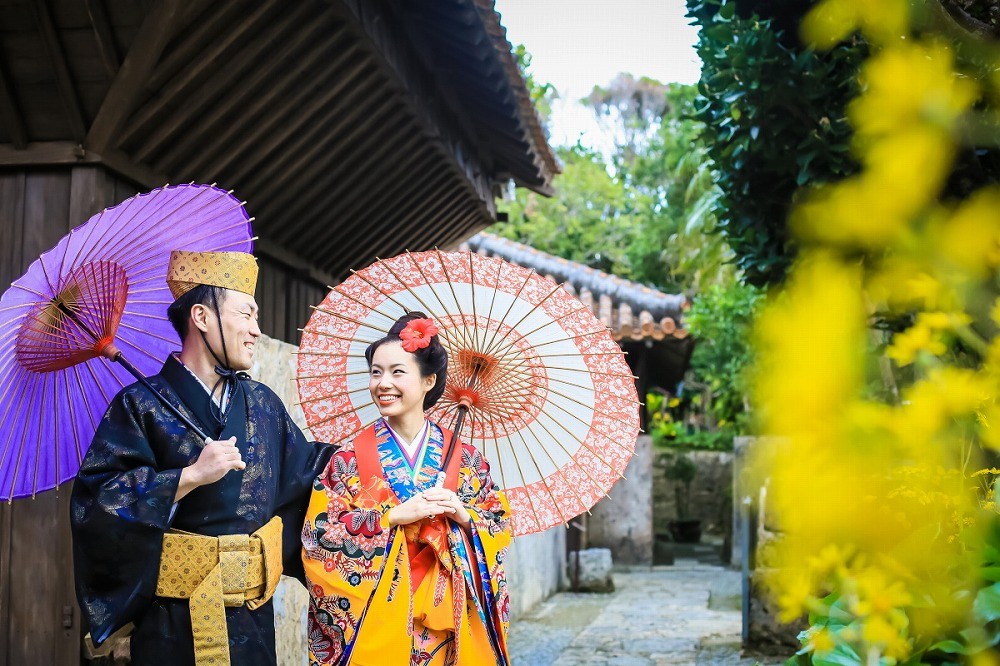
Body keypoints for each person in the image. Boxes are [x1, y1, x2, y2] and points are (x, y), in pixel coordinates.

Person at [71, 250, 335, 666]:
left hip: (252, 623)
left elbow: (310, 474)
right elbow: (99, 501)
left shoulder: (262, 404)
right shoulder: (140, 405)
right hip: (171, 623)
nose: (256, 330)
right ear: (202, 316)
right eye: (246, 315)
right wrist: (189, 476)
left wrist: (378, 459)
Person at [302, 312, 512, 665]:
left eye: (397, 372)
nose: (383, 383)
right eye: (376, 372)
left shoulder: (467, 460)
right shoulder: (348, 460)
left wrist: (463, 516)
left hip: (446, 626)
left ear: (429, 380)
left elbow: (498, 524)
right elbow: (319, 537)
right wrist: (394, 516)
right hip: (376, 619)